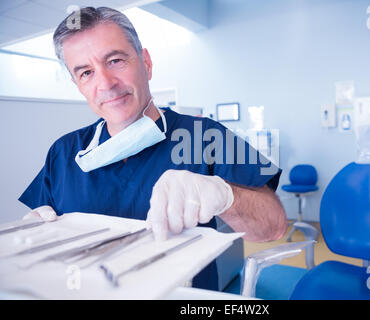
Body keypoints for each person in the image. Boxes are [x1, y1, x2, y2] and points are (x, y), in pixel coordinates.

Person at [18, 7, 287, 291]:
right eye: (86, 72)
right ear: (77, 85)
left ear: (145, 62)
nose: (105, 83)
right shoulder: (63, 153)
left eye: (116, 60)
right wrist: (37, 234)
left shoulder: (204, 136)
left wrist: (226, 195)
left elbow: (274, 226)